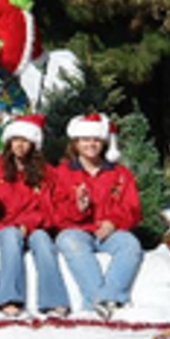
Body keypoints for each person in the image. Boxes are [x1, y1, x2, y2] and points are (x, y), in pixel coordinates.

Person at [0, 114, 69, 317]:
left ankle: (53, 301)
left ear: (34, 144)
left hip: (32, 230)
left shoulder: (47, 173)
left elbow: (54, 211)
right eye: (16, 139)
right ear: (9, 142)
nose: (20, 145)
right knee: (11, 235)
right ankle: (9, 298)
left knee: (43, 239)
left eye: (26, 141)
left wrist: (28, 225)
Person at [52, 113, 143, 321]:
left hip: (110, 232)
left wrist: (113, 222)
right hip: (79, 231)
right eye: (85, 140)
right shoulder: (63, 173)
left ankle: (107, 299)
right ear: (76, 143)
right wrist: (78, 207)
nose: (91, 144)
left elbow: (132, 208)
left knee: (130, 244)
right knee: (68, 240)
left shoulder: (120, 173)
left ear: (103, 142)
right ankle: (99, 303)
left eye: (95, 140)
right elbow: (56, 213)